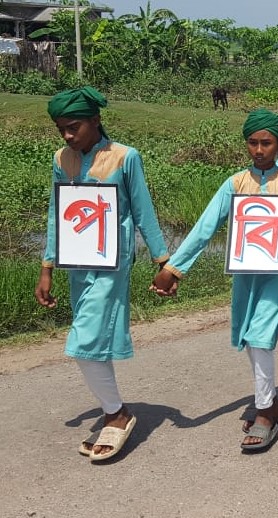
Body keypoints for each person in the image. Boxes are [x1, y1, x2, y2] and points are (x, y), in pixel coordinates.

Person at [151, 109, 278, 451]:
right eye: (253, 143)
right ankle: (270, 402)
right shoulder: (235, 182)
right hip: (245, 272)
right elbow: (205, 227)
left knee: (260, 337)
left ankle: (264, 413)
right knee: (247, 334)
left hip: (276, 273)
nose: (259, 150)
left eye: (267, 143)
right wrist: (173, 269)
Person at [36, 86, 169, 462]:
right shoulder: (62, 159)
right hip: (77, 263)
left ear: (95, 121)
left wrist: (164, 262)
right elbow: (55, 213)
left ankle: (116, 414)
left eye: (74, 126)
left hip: (112, 264)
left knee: (84, 338)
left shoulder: (126, 158)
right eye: (61, 128)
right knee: (93, 339)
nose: (67, 135)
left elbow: (143, 211)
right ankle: (113, 408)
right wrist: (47, 267)